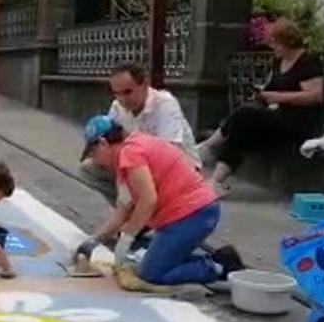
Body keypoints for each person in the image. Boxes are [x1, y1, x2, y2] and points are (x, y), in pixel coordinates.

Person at [77, 116, 244, 289]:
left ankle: (217, 268)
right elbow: (123, 208)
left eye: (93, 153)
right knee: (151, 261)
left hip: (192, 214)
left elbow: (148, 200)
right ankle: (220, 258)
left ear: (103, 144)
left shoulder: (130, 154)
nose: (95, 160)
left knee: (152, 273)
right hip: (192, 212)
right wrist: (94, 240)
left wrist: (127, 237)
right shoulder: (130, 150)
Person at [196, 20, 324, 193]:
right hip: (278, 118)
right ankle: (216, 181)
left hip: (300, 123)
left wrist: (277, 97)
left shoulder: (308, 62)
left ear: (288, 41)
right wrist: (261, 94)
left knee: (245, 114)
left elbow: (315, 96)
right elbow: (270, 89)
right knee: (242, 130)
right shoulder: (278, 62)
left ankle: (208, 146)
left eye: (275, 43)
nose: (273, 48)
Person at [79, 62, 199, 205]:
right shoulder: (117, 107)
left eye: (128, 92)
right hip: (139, 165)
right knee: (90, 167)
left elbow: (169, 152)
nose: (123, 100)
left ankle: (147, 212)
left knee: (139, 175)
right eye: (117, 94)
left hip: (176, 170)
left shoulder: (165, 104)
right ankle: (128, 212)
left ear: (144, 85)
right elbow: (111, 145)